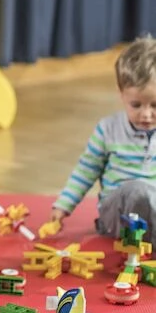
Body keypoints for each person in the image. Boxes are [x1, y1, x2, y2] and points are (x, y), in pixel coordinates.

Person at [42, 34, 156, 244]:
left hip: (152, 214)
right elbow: (86, 170)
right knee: (137, 190)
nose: (146, 115)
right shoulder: (108, 130)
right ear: (121, 94)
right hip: (116, 217)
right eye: (136, 105)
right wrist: (63, 205)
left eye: (155, 105)